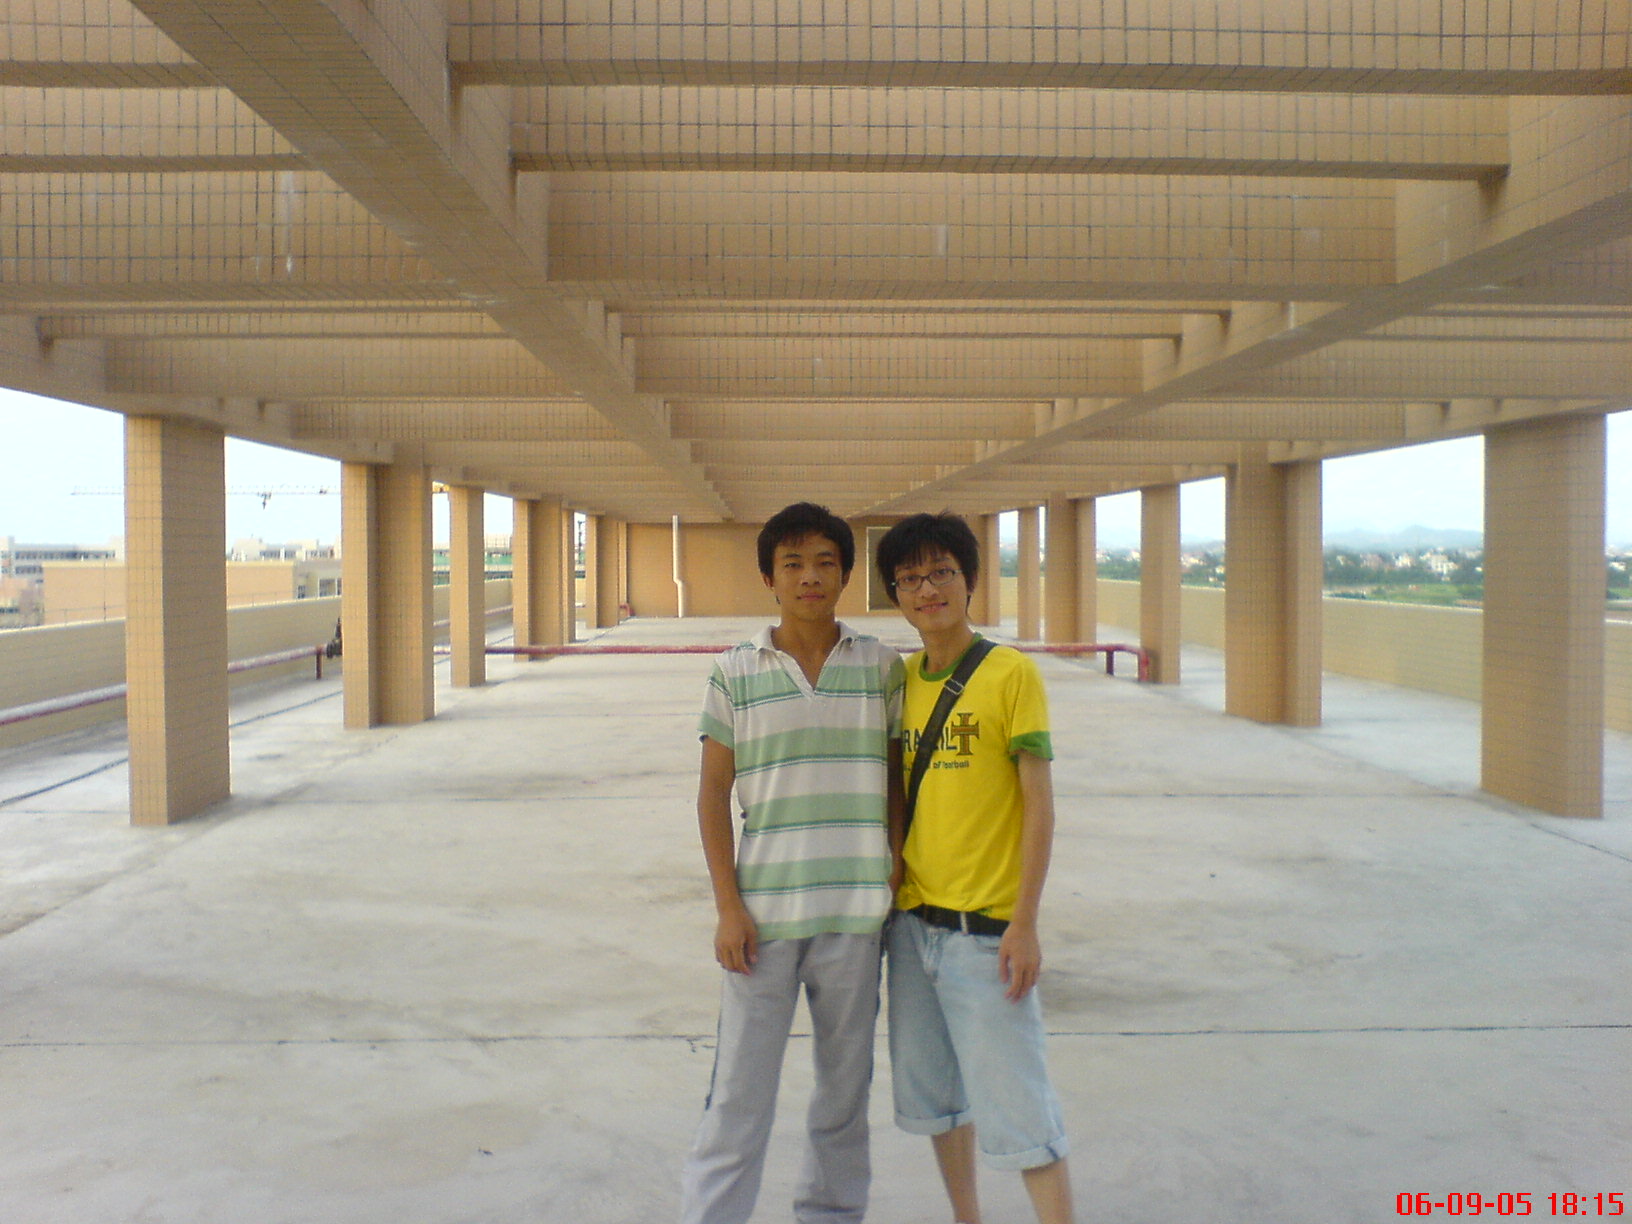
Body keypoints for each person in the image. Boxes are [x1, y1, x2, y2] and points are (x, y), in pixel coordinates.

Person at [678, 501, 906, 1224]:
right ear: (769, 578)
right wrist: (727, 907)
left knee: (844, 1094)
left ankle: (830, 1213)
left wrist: (895, 866)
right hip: (762, 921)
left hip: (855, 919)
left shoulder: (882, 668)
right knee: (739, 1095)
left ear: (845, 574)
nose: (810, 577)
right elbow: (712, 797)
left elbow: (897, 785)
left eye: (825, 563)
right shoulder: (734, 671)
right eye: (793, 564)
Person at [874, 511, 1076, 1224]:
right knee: (939, 1102)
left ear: (970, 581)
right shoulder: (899, 681)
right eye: (910, 579)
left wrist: (1025, 922)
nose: (927, 589)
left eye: (942, 573)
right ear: (895, 594)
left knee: (1022, 1113)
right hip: (912, 930)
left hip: (986, 934)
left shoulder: (1010, 673)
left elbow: (1039, 807)